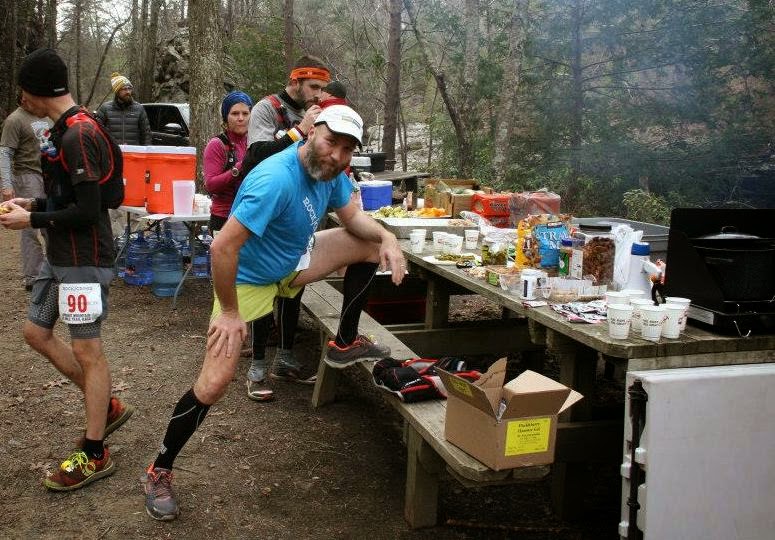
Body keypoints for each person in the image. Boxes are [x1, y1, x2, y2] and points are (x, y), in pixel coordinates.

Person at [142, 104, 405, 521]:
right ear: (312, 131)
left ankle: (344, 341)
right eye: (331, 142)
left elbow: (353, 218)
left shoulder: (331, 172)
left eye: (347, 149)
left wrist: (387, 237)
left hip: (291, 263)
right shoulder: (275, 180)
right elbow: (222, 248)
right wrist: (230, 312)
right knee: (214, 383)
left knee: (371, 245)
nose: (337, 155)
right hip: (246, 278)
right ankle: (160, 469)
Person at [0, 48, 133, 491]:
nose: (22, 100)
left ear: (37, 91)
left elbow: (90, 210)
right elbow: (72, 197)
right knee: (36, 333)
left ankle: (95, 452)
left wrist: (32, 220)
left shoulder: (79, 134)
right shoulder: (63, 131)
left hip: (83, 262)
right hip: (60, 257)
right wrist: (34, 203)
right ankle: (107, 405)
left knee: (87, 352)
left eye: (23, 91)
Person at [240, 55, 330, 400]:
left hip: (302, 209)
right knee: (264, 286)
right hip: (269, 208)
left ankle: (286, 357)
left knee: (296, 284)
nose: (318, 94)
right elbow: (255, 156)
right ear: (295, 81)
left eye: (322, 88)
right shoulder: (267, 108)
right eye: (314, 87)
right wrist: (300, 129)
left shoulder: (317, 111)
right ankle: (257, 366)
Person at [0, 94, 51, 290]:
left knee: (51, 222)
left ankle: (54, 271)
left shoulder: (46, 116)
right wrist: (6, 185)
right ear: (22, 98)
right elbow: (5, 154)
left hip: (48, 174)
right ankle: (34, 277)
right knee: (30, 226)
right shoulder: (15, 119)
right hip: (27, 175)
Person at [203, 90, 253, 232]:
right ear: (226, 118)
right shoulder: (217, 144)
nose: (240, 118)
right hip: (224, 217)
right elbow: (211, 185)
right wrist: (239, 168)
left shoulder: (254, 142)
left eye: (245, 113)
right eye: (235, 113)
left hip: (250, 215)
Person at [95, 72, 151, 145]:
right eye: (124, 89)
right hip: (113, 151)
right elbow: (97, 132)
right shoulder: (105, 108)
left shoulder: (139, 108)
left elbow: (146, 134)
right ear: (117, 91)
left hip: (133, 151)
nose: (128, 92)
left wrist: (146, 149)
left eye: (129, 88)